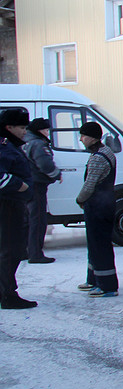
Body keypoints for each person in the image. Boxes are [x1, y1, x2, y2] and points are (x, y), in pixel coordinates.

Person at [0, 109, 38, 309]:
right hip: (8, 206)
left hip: (12, 205)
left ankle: (5, 292)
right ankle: (7, 296)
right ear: (9, 127)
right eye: (22, 127)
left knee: (11, 251)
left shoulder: (10, 145)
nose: (25, 132)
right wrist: (20, 185)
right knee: (10, 251)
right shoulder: (5, 147)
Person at [76, 121, 118, 298]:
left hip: (99, 207)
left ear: (92, 137)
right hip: (104, 204)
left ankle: (107, 286)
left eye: (83, 135)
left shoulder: (98, 157)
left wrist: (80, 199)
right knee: (94, 244)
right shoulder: (105, 151)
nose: (81, 139)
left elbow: (89, 185)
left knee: (99, 245)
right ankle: (93, 279)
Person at [24, 118, 61, 264]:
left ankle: (25, 251)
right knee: (38, 220)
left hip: (27, 185)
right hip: (37, 185)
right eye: (46, 130)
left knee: (27, 220)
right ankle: (35, 254)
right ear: (40, 130)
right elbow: (45, 165)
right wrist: (57, 174)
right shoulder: (38, 144)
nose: (48, 133)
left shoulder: (25, 141)